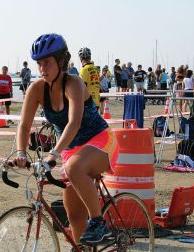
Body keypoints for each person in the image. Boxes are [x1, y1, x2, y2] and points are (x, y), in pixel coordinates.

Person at [14, 33, 118, 245]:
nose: (42, 68)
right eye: (39, 64)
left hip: (100, 140)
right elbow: (24, 126)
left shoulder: (74, 84)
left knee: (73, 168)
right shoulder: (36, 89)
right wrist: (21, 153)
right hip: (71, 150)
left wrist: (53, 154)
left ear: (61, 61)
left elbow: (74, 123)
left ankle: (99, 222)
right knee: (74, 215)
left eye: (47, 63)